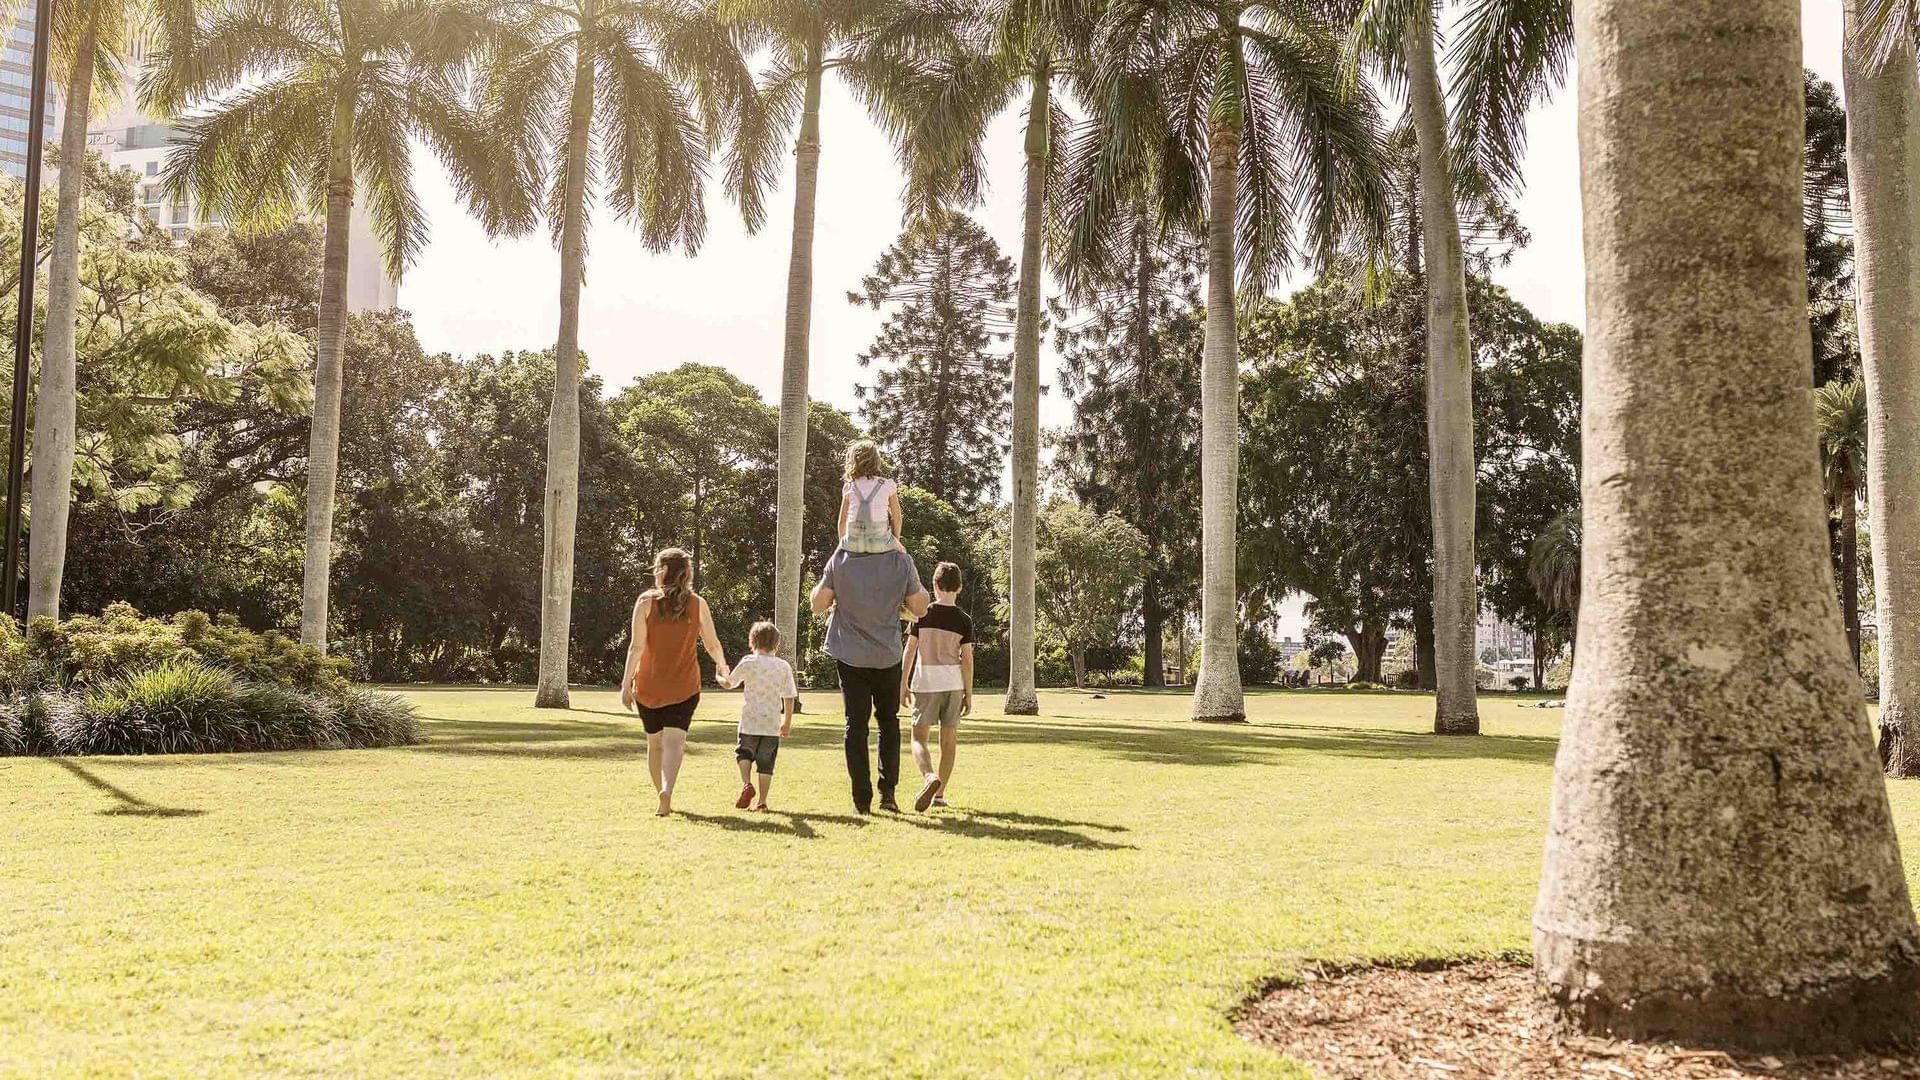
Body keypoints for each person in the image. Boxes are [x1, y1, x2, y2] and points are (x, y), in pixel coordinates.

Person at [811, 545, 929, 814]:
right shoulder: (901, 561)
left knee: (856, 725)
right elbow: (920, 607)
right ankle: (888, 795)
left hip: (850, 655)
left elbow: (817, 605)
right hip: (886, 655)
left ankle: (861, 801)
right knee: (888, 724)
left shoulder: (840, 558)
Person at [621, 548, 728, 817]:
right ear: (686, 573)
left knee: (654, 743)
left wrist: (625, 684)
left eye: (657, 567)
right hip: (684, 686)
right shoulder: (697, 603)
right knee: (675, 743)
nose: (655, 572)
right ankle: (667, 789)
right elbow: (712, 643)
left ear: (664, 570)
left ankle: (662, 796)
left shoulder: (645, 602)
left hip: (648, 686)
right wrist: (722, 665)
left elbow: (636, 647)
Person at [901, 561, 973, 812]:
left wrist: (903, 683)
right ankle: (939, 795)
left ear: (934, 584)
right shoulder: (964, 619)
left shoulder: (923, 614)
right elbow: (967, 660)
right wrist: (968, 693)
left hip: (926, 682)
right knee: (949, 741)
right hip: (953, 683)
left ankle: (929, 776)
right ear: (960, 588)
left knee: (918, 737)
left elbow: (910, 650)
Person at [718, 621, 797, 812]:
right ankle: (762, 801)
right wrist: (786, 723)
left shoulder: (748, 662)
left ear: (752, 641)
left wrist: (720, 676)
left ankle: (746, 783)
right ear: (776, 643)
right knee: (766, 763)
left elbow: (729, 683)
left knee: (744, 753)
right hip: (771, 723)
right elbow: (789, 696)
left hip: (749, 721)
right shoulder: (783, 666)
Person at [837, 440, 909, 556]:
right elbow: (897, 518)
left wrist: (843, 544)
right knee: (906, 559)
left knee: (832, 564)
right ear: (876, 460)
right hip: (880, 543)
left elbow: (842, 522)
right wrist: (894, 541)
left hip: (854, 543)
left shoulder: (849, 486)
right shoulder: (888, 485)